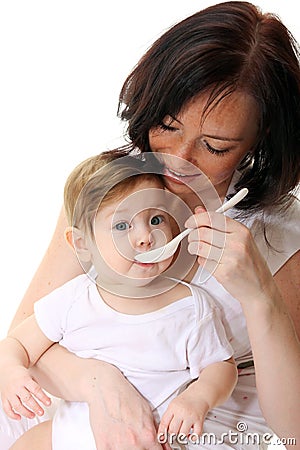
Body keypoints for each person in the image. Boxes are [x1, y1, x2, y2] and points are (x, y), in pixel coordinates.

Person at [1, 1, 300, 449]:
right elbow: (26, 345)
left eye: (215, 146)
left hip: (205, 422)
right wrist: (101, 385)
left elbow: (293, 430)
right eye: (166, 125)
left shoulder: (281, 233)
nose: (176, 160)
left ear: (260, 142)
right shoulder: (108, 193)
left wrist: (258, 295)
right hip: (85, 400)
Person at [0, 149, 237, 450]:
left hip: (149, 440)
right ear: (83, 244)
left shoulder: (190, 308)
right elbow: (16, 344)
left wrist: (198, 398)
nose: (145, 237)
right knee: (29, 441)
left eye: (155, 219)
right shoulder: (74, 300)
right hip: (69, 439)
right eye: (122, 226)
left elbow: (221, 367)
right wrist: (11, 372)